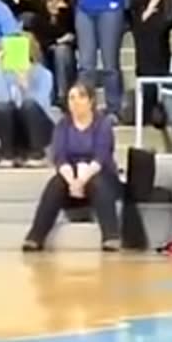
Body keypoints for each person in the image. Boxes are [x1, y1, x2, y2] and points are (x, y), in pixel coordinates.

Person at [22, 81, 120, 251]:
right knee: (55, 184)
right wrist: (73, 181)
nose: (75, 102)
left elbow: (100, 158)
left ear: (91, 101)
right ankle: (35, 237)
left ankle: (111, 237)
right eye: (71, 98)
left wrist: (81, 180)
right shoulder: (63, 125)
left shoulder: (103, 125)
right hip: (72, 178)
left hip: (100, 175)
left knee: (97, 182)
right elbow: (60, 157)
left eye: (81, 97)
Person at [129, 0, 172, 129]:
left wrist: (148, 9)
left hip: (150, 19)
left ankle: (151, 113)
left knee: (150, 68)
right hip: (144, 18)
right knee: (147, 67)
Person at [0, 32, 55, 167]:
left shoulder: (44, 74)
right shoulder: (4, 74)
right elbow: (2, 101)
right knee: (1, 107)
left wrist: (25, 86)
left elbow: (41, 106)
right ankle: (7, 154)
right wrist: (0, 69)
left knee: (29, 105)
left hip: (40, 126)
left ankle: (37, 153)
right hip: (16, 126)